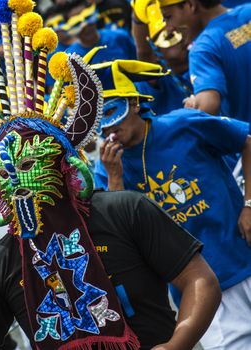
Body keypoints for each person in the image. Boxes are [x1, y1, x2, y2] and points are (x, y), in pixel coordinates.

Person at [0, 9, 220, 349]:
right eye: (4, 173)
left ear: (63, 162)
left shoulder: (125, 211)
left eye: (29, 162)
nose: (18, 181)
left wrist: (176, 344)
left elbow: (199, 280)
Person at [93, 59, 251, 349]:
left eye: (114, 114)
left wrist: (250, 204)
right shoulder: (105, 168)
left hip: (243, 252)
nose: (109, 129)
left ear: (134, 103)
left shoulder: (184, 124)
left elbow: (246, 141)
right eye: (100, 124)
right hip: (200, 288)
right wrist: (115, 177)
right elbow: (118, 242)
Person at [159, 0, 251, 124]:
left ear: (191, 5)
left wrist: (195, 106)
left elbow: (208, 108)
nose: (169, 28)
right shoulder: (248, 12)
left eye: (168, 17)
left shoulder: (203, 48)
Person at [63, 1, 136, 64]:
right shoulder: (71, 57)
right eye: (77, 24)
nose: (85, 25)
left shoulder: (119, 37)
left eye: (87, 17)